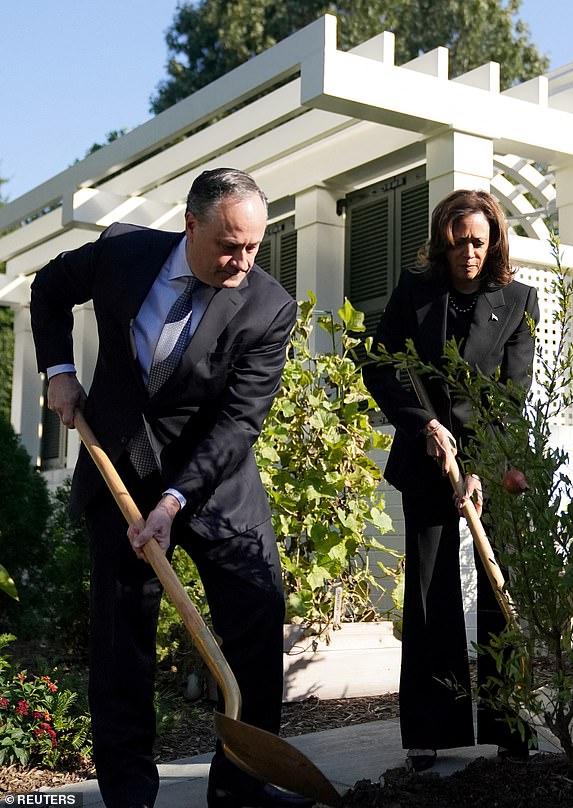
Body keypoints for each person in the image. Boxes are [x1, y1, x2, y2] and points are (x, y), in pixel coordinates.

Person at [30, 168, 313, 808]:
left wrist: (174, 499)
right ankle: (129, 793)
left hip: (214, 488)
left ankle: (240, 787)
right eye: (229, 245)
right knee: (121, 642)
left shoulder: (268, 306)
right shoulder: (123, 254)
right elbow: (48, 288)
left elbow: (239, 420)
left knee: (256, 625)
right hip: (121, 473)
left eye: (253, 246)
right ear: (191, 225)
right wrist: (59, 370)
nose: (243, 261)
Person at [362, 189, 539, 772]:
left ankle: (509, 725)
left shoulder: (518, 302)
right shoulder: (416, 292)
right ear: (444, 240)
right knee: (431, 592)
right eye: (459, 240)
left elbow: (512, 396)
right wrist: (424, 425)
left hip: (493, 467)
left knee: (497, 588)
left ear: (494, 244)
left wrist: (482, 468)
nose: (468, 252)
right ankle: (429, 730)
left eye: (479, 242)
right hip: (426, 458)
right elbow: (379, 363)